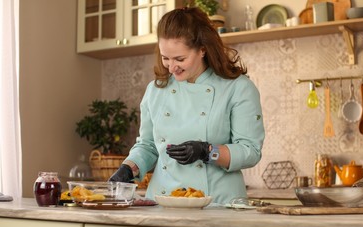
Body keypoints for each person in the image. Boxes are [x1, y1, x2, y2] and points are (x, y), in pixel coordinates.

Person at [109, 7, 265, 205]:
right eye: (165, 58)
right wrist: (129, 167)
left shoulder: (238, 87)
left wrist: (207, 151)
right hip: (162, 202)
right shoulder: (156, 90)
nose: (172, 67)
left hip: (218, 206)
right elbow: (148, 145)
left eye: (180, 59)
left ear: (202, 49)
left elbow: (250, 150)